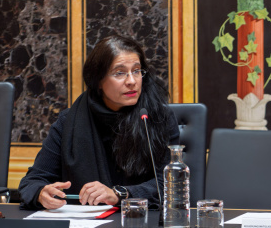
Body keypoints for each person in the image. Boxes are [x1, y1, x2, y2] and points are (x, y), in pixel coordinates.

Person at [19, 35, 179, 209]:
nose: (132, 81)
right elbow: (32, 182)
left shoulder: (156, 118)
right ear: (98, 81)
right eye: (120, 73)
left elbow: (171, 184)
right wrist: (41, 193)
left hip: (141, 224)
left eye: (136, 70)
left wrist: (119, 194)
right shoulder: (68, 123)